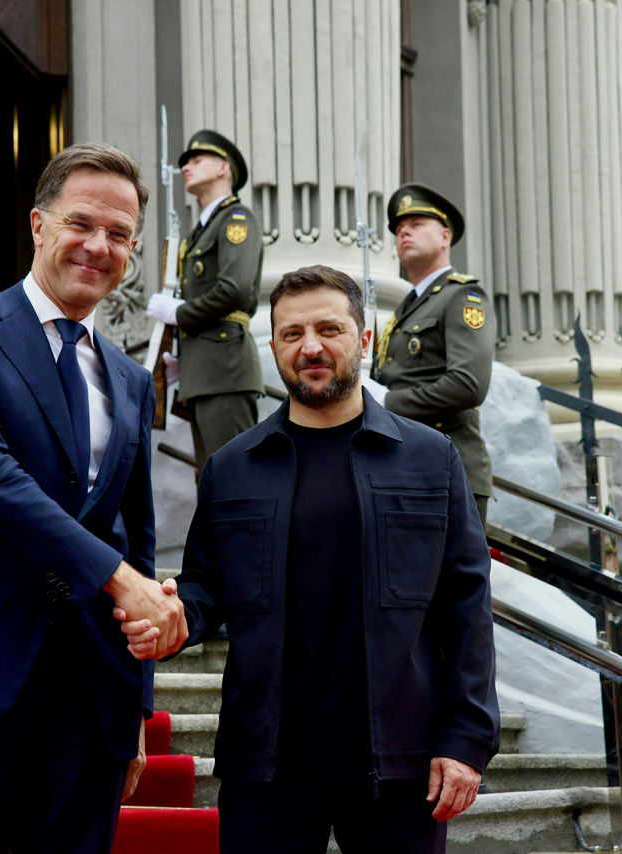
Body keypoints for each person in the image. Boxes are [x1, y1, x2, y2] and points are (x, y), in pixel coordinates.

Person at [127, 265, 500, 854]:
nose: (312, 347)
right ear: (273, 346)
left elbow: (468, 609)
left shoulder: (431, 459)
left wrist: (467, 740)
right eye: (292, 334)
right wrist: (171, 616)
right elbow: (205, 587)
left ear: (366, 338)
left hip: (400, 762)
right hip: (265, 763)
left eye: (330, 329)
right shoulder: (232, 466)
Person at [0, 142, 188, 854]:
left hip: (91, 698)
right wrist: (119, 579)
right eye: (82, 223)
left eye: (119, 235)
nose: (98, 246)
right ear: (39, 225)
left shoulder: (131, 379)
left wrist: (136, 703)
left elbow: (133, 536)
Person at [363, 182, 493, 524]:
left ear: (445, 237)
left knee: (451, 578)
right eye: (399, 229)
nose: (405, 232)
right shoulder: (408, 307)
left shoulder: (463, 297)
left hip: (448, 468)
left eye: (417, 224)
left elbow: (468, 385)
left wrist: (387, 401)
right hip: (402, 464)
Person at [145, 129, 263, 473]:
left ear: (223, 168)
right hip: (206, 371)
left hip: (225, 371)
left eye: (197, 160)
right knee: (211, 482)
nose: (187, 168)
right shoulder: (201, 230)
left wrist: (179, 313)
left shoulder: (235, 220)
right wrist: (186, 356)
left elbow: (234, 289)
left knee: (233, 480)